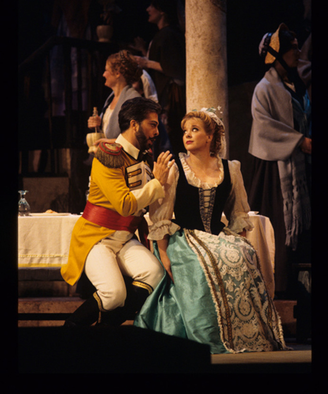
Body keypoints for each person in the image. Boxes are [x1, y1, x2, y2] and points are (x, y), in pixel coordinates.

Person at [134, 108, 288, 354]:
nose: (188, 135)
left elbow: (238, 214)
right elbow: (160, 216)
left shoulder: (230, 169)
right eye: (185, 130)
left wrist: (239, 245)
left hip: (218, 236)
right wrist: (163, 254)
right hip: (186, 238)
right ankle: (211, 333)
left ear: (210, 136)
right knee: (201, 263)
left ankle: (243, 333)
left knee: (243, 255)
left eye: (195, 130)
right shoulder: (176, 169)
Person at [61, 97, 174, 327]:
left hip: (124, 237)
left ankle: (104, 334)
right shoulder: (108, 155)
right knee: (113, 293)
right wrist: (157, 183)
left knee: (154, 274)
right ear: (134, 125)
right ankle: (70, 329)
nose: (157, 130)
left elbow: (147, 204)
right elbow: (124, 204)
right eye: (152, 124)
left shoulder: (142, 155)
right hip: (97, 237)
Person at [247, 23, 311, 298]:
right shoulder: (265, 88)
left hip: (299, 163)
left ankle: (299, 283)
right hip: (275, 165)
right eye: (292, 48)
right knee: (280, 221)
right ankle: (280, 286)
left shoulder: (294, 83)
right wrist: (298, 140)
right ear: (278, 53)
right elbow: (264, 125)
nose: (298, 52)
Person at [132, 0, 186, 156]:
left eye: (152, 6)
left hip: (170, 97)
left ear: (162, 10)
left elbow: (174, 67)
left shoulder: (169, 34)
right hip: (164, 96)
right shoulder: (163, 35)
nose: (148, 9)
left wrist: (145, 62)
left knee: (171, 136)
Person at [87, 50, 143, 144]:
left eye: (106, 70)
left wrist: (109, 142)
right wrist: (98, 124)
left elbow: (137, 139)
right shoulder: (110, 99)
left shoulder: (133, 100)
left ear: (117, 73)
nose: (103, 74)